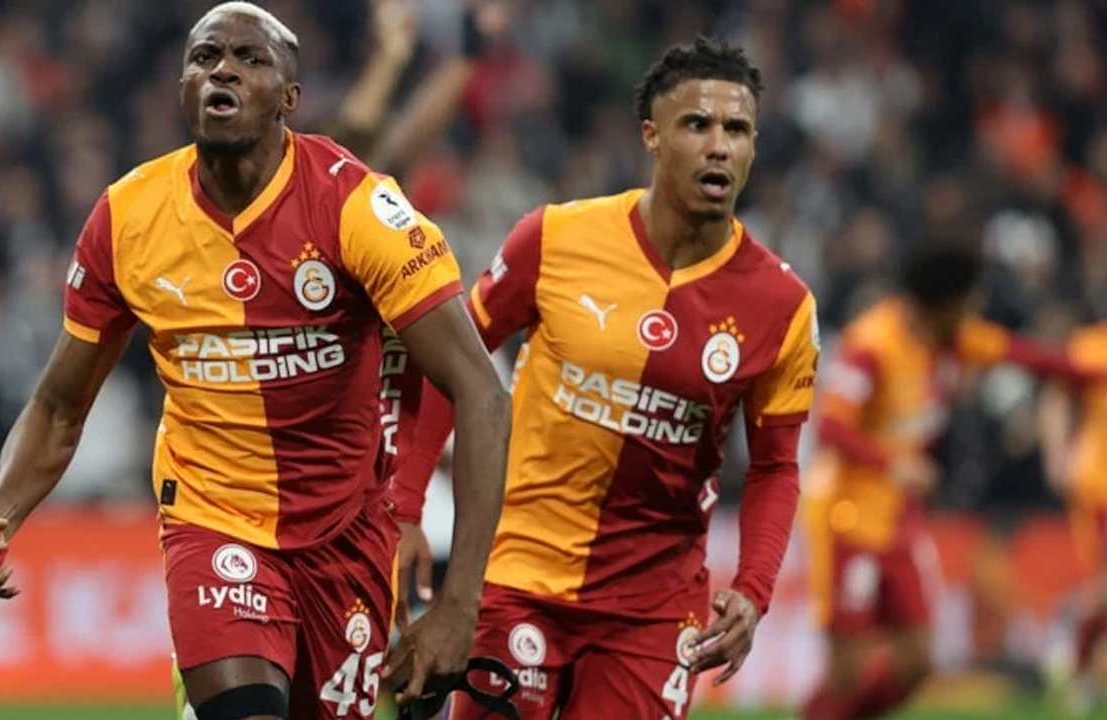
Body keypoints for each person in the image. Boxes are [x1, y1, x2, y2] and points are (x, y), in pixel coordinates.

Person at [0, 3, 511, 719]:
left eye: (249, 59)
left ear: (289, 98)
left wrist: (460, 605)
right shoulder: (129, 217)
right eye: (204, 57)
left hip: (346, 535)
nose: (223, 70)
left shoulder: (357, 207)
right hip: (211, 519)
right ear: (182, 89)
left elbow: (482, 395)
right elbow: (60, 406)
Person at [393, 37, 820, 719]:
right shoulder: (553, 239)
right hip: (519, 576)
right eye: (697, 124)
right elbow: (450, 369)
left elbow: (775, 465)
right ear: (652, 136)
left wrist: (754, 587)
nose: (719, 146)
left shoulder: (782, 305)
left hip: (654, 609)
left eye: (736, 130)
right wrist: (405, 507)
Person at [800, 245, 1105, 720]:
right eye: (968, 301)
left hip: (897, 520)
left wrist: (1090, 370)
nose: (973, 311)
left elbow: (1030, 357)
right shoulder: (871, 345)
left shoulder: (953, 338)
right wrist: (892, 464)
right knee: (847, 668)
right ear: (943, 303)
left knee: (918, 659)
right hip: (846, 518)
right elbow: (830, 427)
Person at [1039, 321, 1107, 714]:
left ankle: (1079, 664)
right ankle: (1080, 669)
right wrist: (1057, 451)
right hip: (1100, 485)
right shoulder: (1092, 346)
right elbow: (1057, 393)